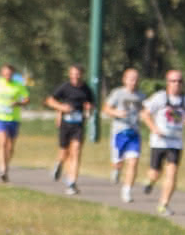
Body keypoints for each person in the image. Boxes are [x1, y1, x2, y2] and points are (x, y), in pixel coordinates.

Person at [140, 69, 185, 216]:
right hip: (159, 142)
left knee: (172, 173)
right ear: (167, 82)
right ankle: (150, 181)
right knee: (155, 173)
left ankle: (163, 204)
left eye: (179, 81)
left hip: (176, 143)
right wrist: (154, 128)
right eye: (173, 81)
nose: (176, 84)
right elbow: (145, 113)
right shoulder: (160, 98)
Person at [46, 63, 95, 195]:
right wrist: (62, 108)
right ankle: (59, 164)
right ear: (70, 74)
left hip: (78, 125)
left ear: (82, 75)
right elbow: (50, 100)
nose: (75, 76)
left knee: (76, 151)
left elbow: (91, 105)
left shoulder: (87, 89)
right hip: (65, 124)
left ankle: (71, 182)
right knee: (64, 153)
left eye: (77, 74)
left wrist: (89, 109)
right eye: (73, 74)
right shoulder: (65, 87)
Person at [103, 67, 146, 203]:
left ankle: (127, 191)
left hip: (134, 133)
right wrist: (116, 113)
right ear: (125, 80)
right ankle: (116, 170)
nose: (133, 82)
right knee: (118, 162)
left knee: (133, 163)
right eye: (131, 79)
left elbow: (145, 111)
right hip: (119, 132)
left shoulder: (141, 96)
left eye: (136, 79)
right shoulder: (118, 93)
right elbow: (106, 108)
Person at [0, 63, 29, 182]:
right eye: (5, 73)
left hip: (14, 119)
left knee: (10, 147)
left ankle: (6, 164)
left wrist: (19, 103)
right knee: (2, 143)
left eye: (10, 74)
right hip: (0, 117)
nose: (7, 75)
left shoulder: (18, 85)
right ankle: (3, 169)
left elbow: (26, 98)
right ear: (2, 73)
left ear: (13, 74)